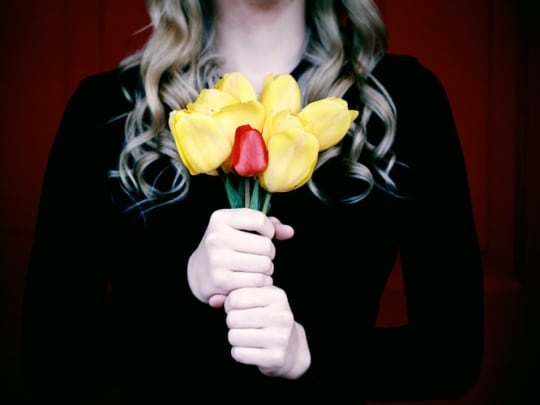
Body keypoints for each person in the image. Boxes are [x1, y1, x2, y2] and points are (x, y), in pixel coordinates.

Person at [21, 0, 484, 403]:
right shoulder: (107, 109)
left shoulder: (403, 101)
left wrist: (311, 355)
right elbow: (50, 360)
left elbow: (452, 358)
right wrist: (184, 287)